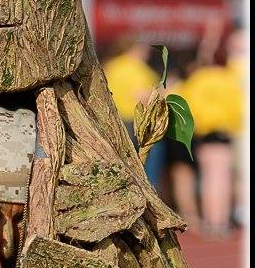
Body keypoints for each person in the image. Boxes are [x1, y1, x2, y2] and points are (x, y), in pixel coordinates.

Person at [173, 24, 245, 237]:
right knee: (222, 178)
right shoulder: (229, 79)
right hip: (224, 132)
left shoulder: (198, 79)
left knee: (207, 179)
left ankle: (211, 220)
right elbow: (238, 107)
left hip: (204, 134)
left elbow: (186, 104)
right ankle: (221, 221)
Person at [101, 38, 165, 191]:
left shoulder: (111, 66)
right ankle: (148, 192)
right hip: (139, 122)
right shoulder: (135, 68)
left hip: (115, 120)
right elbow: (142, 95)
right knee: (147, 165)